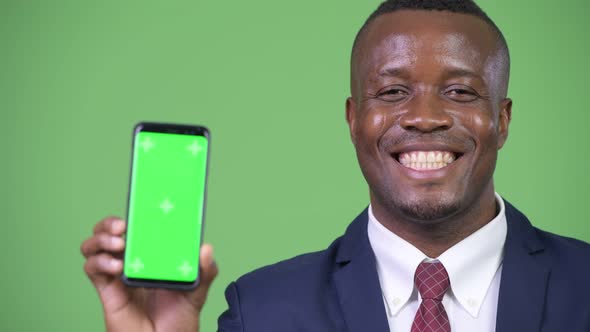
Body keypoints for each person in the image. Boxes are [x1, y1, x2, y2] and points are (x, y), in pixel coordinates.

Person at [80, 0, 590, 331]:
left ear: (501, 120)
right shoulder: (260, 312)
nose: (425, 118)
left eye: (459, 92)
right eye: (392, 92)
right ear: (354, 119)